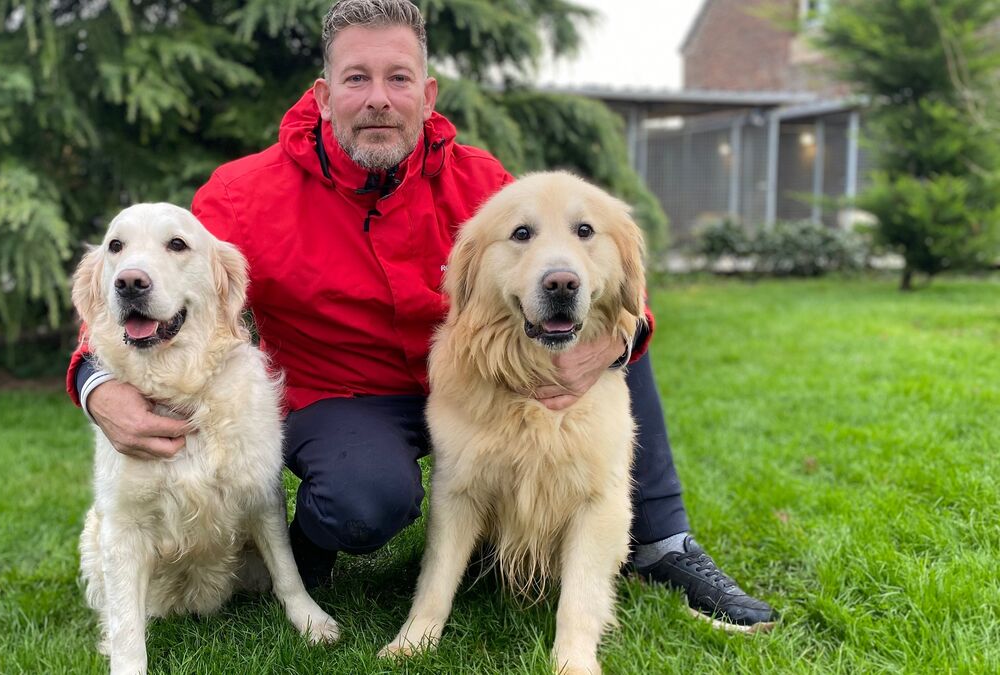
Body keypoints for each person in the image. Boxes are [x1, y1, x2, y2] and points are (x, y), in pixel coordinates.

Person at [67, 0, 777, 632]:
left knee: (615, 334)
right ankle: (317, 532)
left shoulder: (484, 184)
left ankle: (664, 541)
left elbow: (586, 266)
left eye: (398, 78)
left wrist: (619, 340)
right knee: (363, 499)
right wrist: (98, 384)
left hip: (474, 381)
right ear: (324, 95)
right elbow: (150, 277)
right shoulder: (242, 196)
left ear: (427, 94)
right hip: (345, 399)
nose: (379, 99)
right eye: (357, 78)